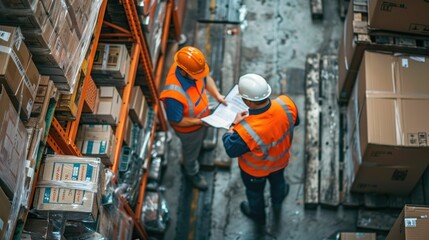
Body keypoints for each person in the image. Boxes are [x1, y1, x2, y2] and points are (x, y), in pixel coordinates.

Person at [222, 73, 300, 225]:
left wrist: (233, 125)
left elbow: (230, 149)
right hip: (280, 162)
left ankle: (258, 215)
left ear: (249, 102)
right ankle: (278, 199)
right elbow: (295, 121)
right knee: (278, 183)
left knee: (255, 193)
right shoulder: (286, 103)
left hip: (254, 172)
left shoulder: (245, 130)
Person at [160, 46, 227, 191]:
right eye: (196, 75)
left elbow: (205, 78)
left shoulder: (192, 69)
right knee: (190, 155)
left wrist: (217, 95)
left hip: (203, 119)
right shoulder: (173, 95)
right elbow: (176, 121)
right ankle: (192, 173)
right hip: (190, 131)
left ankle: (201, 145)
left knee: (200, 141)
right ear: (183, 72)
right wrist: (200, 122)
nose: (199, 77)